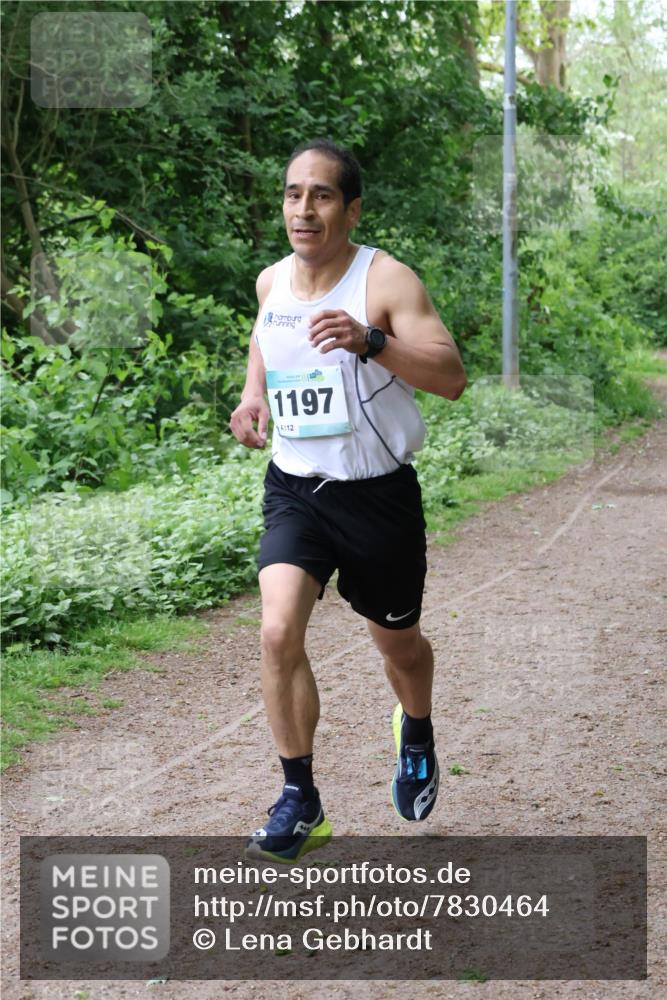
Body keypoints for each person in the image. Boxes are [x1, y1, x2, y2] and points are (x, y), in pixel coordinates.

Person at [229, 139, 467, 864]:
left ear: (350, 208)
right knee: (276, 633)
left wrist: (370, 341)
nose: (304, 208)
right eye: (294, 194)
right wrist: (250, 397)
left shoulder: (385, 281)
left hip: (377, 499)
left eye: (322, 195)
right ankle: (300, 797)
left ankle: (416, 729)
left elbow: (451, 376)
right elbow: (266, 342)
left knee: (397, 645)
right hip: (296, 490)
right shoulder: (272, 281)